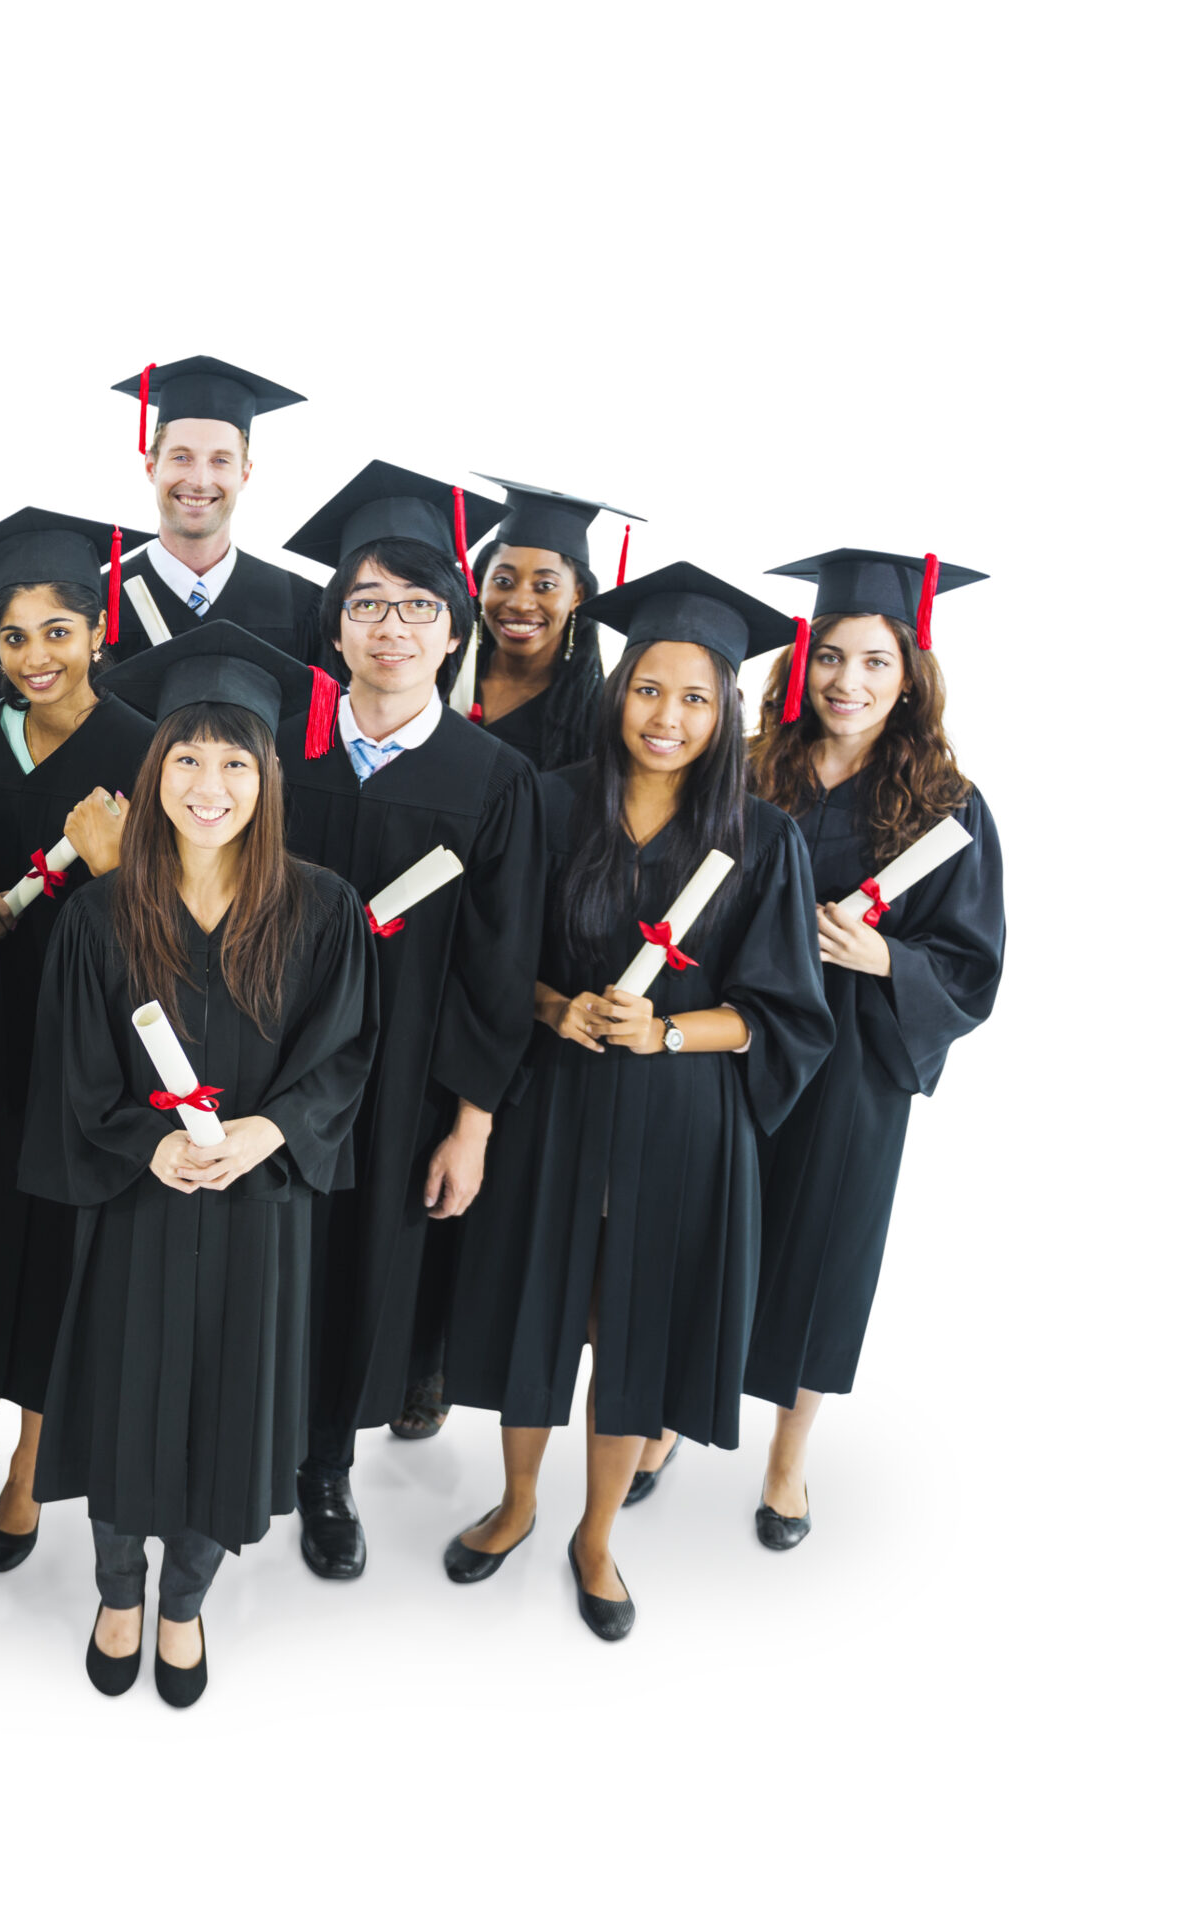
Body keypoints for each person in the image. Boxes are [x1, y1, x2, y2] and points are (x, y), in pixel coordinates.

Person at [438, 564, 834, 1641]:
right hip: (554, 1101)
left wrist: (663, 1029)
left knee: (635, 1327)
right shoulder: (550, 799)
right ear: (617, 689)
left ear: (726, 712)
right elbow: (488, 958)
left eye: (695, 698)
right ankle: (518, 1500)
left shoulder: (764, 839)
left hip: (680, 1118)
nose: (668, 716)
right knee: (539, 1306)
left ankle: (595, 1531)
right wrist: (552, 1006)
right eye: (649, 689)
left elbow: (780, 1011)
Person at [24, 624, 378, 1704]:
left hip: (257, 1211)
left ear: (269, 775)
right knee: (127, 1405)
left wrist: (268, 1134)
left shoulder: (321, 909)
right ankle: (118, 1589)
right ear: (152, 770)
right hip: (138, 1204)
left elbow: (344, 1053)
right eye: (185, 758)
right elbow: (75, 1076)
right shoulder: (98, 913)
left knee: (230, 1406)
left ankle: (183, 1599)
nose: (208, 783)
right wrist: (150, 1141)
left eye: (234, 762)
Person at [270, 465, 546, 1580]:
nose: (390, 626)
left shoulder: (492, 780)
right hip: (271, 1065)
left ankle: (323, 1466)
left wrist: (471, 1121)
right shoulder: (277, 752)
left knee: (361, 1270)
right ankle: (246, 1436)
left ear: (453, 630)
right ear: (334, 622)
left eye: (418, 605)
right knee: (267, 1250)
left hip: (405, 1085)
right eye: (367, 602)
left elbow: (499, 967)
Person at [700, 547, 1000, 1545]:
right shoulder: (746, 769)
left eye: (873, 661)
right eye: (829, 656)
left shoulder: (946, 807)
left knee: (820, 1254)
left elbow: (971, 966)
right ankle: (663, 1422)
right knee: (707, 1228)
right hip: (735, 1039)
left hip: (853, 1063)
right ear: (800, 658)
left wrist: (885, 958)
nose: (847, 681)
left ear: (908, 674)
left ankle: (786, 1459)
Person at [0, 508, 156, 1568]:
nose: (36, 657)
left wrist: (110, 869)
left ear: (98, 631)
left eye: (58, 631)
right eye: (14, 637)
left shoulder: (146, 751)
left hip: (88, 1051)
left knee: (61, 1260)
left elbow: (180, 916)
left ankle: (29, 1463)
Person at [108, 356, 326, 667]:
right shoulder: (96, 605)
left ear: (245, 474)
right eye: (181, 457)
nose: (199, 480)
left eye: (220, 460)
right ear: (151, 466)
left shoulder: (302, 607)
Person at [442, 475, 643, 771]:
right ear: (481, 585)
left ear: (578, 595)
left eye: (545, 586)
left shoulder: (599, 717)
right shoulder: (439, 680)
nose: (521, 603)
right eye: (503, 581)